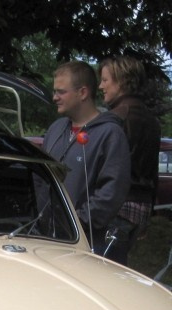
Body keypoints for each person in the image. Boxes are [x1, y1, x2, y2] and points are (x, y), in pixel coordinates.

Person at [42, 60, 130, 256]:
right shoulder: (55, 129)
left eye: (61, 92)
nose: (55, 97)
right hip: (46, 239)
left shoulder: (110, 134)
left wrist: (76, 222)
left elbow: (111, 192)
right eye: (55, 91)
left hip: (87, 245)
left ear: (83, 93)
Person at [97, 55, 161, 265]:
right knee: (115, 266)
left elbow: (104, 166)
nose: (100, 86)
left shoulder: (116, 117)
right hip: (141, 206)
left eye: (105, 80)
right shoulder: (151, 119)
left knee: (101, 269)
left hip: (116, 205)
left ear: (123, 81)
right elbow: (153, 170)